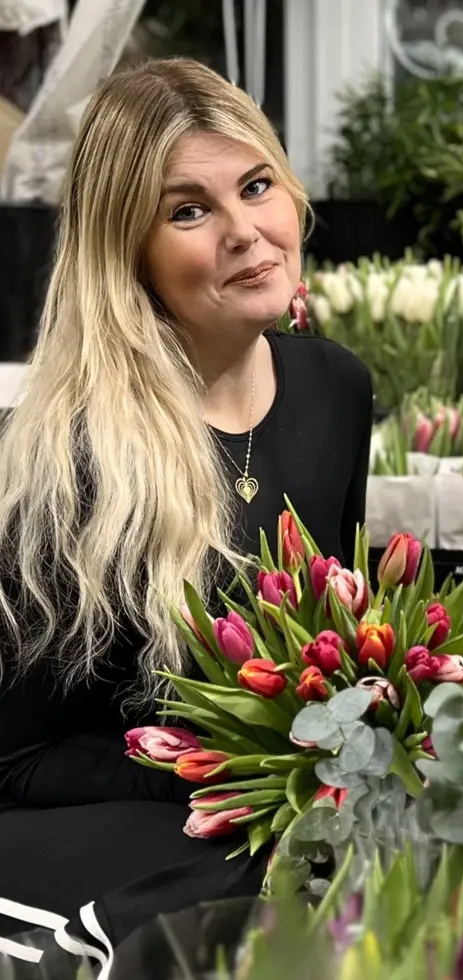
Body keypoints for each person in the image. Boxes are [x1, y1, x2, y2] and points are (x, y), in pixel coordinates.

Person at [0, 57, 372, 974]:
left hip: (259, 827)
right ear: (129, 252)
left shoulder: (335, 388)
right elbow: (16, 759)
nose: (248, 233)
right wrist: (224, 769)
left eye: (256, 186)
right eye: (189, 210)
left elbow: (334, 635)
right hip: (98, 842)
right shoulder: (70, 457)